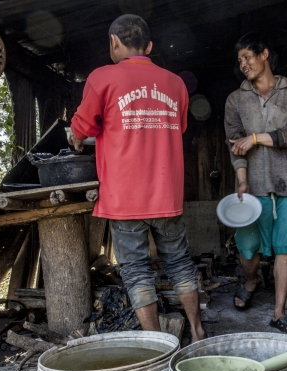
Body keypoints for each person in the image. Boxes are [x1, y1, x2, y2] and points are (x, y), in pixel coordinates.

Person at [70, 14, 207, 342]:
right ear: (148, 46)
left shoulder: (103, 77)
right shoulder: (175, 84)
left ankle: (157, 344)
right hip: (166, 194)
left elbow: (81, 127)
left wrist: (78, 138)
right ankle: (198, 331)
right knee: (179, 264)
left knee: (136, 271)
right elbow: (179, 128)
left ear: (114, 42)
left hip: (124, 198)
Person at [224, 32, 287, 334]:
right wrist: (242, 181)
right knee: (248, 251)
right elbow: (235, 145)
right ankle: (251, 280)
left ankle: (278, 313)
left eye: (247, 56)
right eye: (240, 60)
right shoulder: (236, 99)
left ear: (264, 54)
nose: (243, 64)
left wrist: (256, 138)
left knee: (284, 249)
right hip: (253, 186)